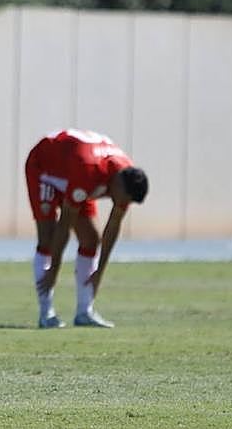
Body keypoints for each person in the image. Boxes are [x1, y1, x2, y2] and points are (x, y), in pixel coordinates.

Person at [25, 128, 149, 329]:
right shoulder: (89, 171)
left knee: (91, 239)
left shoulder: (124, 178)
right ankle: (45, 313)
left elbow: (114, 224)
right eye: (123, 198)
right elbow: (65, 223)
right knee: (47, 237)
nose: (122, 203)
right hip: (45, 168)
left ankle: (85, 312)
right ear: (117, 184)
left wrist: (100, 270)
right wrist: (54, 268)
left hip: (73, 172)